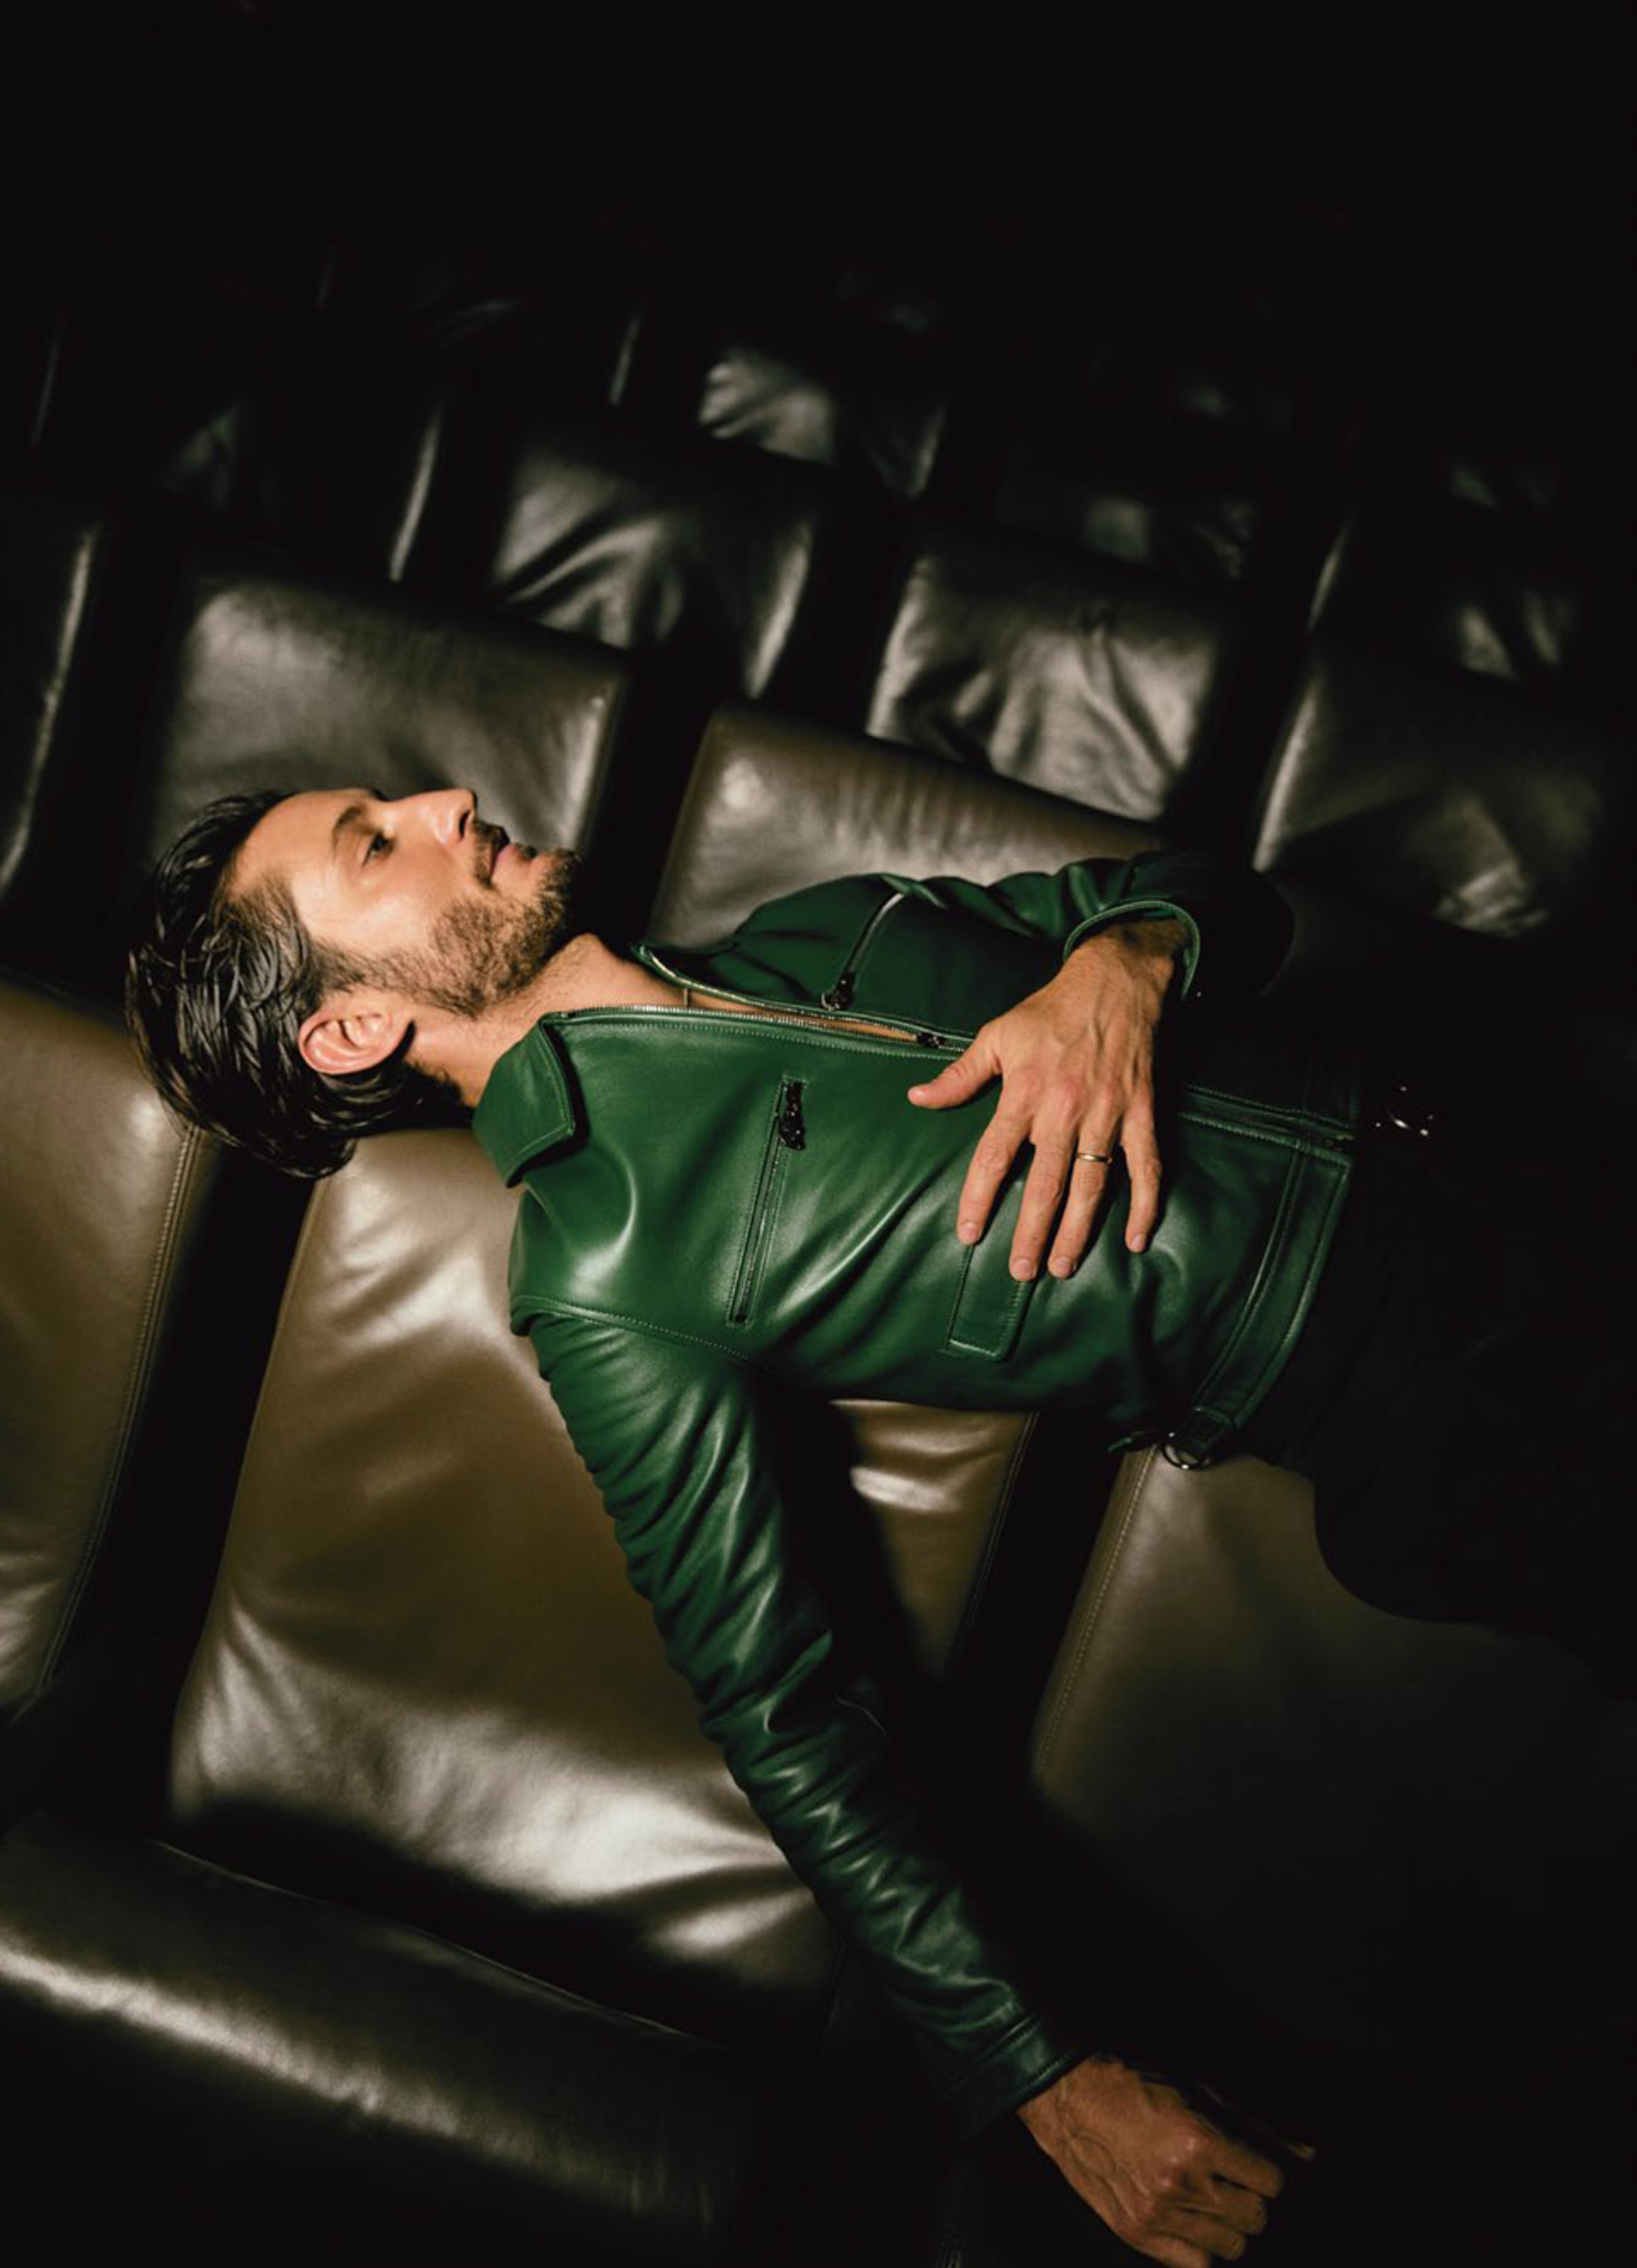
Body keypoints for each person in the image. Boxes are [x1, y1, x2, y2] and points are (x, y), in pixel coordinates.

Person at [124, 781, 1633, 2267]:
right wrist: (1044, 2073)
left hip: (1539, 1152)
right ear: (352, 1031)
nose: (448, 799)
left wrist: (1125, 963)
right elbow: (782, 1701)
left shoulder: (820, 923)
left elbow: (1213, 892)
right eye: (374, 842)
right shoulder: (610, 1267)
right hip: (1465, 1406)